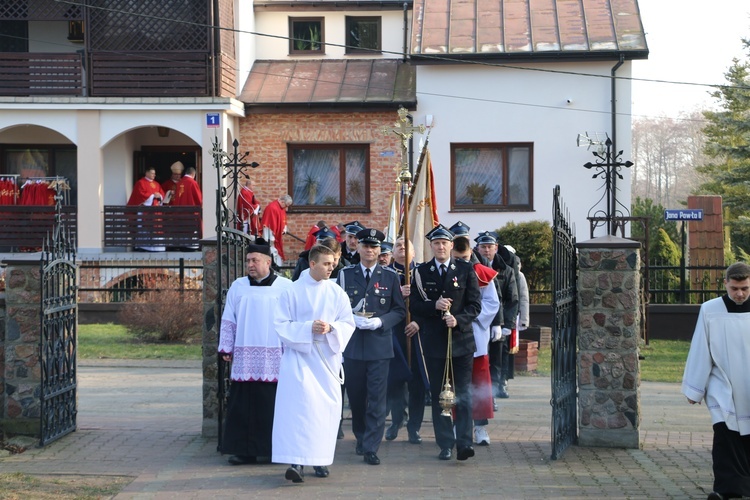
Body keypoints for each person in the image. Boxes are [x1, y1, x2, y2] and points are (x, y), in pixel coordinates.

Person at [272, 244, 356, 483]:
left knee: (323, 412)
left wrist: (332, 328)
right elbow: (280, 323)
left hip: (326, 360)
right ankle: (296, 462)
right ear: (312, 264)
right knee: (298, 411)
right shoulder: (291, 291)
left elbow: (347, 323)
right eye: (327, 264)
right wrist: (307, 328)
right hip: (299, 359)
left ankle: (320, 459)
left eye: (333, 264)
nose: (332, 268)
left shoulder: (336, 292)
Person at [410, 224, 481, 461]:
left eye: (445, 243)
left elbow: (475, 306)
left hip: (461, 342)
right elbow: (415, 307)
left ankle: (464, 443)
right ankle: (445, 443)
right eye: (436, 243)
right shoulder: (421, 272)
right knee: (440, 395)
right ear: (431, 246)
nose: (441, 247)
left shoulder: (465, 269)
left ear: (452, 245)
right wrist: (434, 306)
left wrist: (457, 319)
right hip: (434, 343)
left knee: (463, 393)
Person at [218, 240, 292, 465]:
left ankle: (273, 449)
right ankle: (243, 451)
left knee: (272, 404)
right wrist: (226, 346)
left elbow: (292, 320)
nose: (250, 264)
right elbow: (228, 318)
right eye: (248, 260)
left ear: (268, 262)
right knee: (243, 406)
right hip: (244, 356)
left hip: (274, 357)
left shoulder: (285, 287)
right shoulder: (238, 286)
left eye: (254, 260)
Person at [337, 228, 406, 466]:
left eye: (374, 247)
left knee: (377, 398)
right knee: (356, 397)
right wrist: (350, 318)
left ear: (380, 250)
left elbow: (399, 310)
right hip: (353, 345)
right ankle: (360, 435)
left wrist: (381, 321)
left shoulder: (390, 276)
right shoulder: (345, 274)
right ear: (358, 248)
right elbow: (336, 307)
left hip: (379, 346)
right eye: (366, 246)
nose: (370, 250)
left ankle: (371, 446)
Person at [682, 262, 750, 500]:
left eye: (745, 288)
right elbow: (701, 348)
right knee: (725, 436)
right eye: (734, 288)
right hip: (723, 385)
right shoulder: (710, 309)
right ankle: (727, 490)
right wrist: (695, 389)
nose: (739, 294)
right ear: (725, 285)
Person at [449, 224, 499, 447]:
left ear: (472, 254)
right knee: (454, 383)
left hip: (475, 335)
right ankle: (455, 425)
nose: (462, 262)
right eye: (458, 258)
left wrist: (470, 316)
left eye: (466, 257)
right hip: (452, 334)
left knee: (479, 383)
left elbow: (492, 303)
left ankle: (480, 427)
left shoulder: (482, 274)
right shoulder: (445, 272)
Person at [385, 237, 428, 445]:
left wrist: (418, 322)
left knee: (417, 383)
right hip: (393, 332)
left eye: (406, 245)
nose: (402, 247)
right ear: (392, 253)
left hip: (417, 334)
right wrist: (397, 294)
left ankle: (414, 427)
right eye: (398, 245)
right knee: (395, 380)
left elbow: (430, 302)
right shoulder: (385, 274)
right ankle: (397, 420)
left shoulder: (421, 272)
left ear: (414, 251)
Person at [474, 231, 518, 401]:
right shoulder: (475, 267)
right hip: (479, 321)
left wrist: (507, 324)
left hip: (498, 322)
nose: (486, 250)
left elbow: (512, 299)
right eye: (483, 247)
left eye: (489, 247)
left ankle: (496, 389)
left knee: (497, 359)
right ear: (478, 248)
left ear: (496, 248)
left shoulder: (505, 270)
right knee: (481, 359)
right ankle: (483, 395)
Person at [127, 167, 165, 252]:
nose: (154, 175)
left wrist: (160, 196)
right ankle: (143, 246)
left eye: (154, 173)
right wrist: (152, 196)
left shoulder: (156, 184)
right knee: (144, 228)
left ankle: (156, 247)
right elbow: (140, 194)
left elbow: (162, 193)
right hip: (144, 210)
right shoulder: (141, 183)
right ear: (147, 173)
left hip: (155, 211)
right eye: (152, 173)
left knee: (156, 228)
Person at [261, 194, 293, 264]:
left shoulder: (281, 208)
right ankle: (274, 265)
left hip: (278, 235)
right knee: (271, 249)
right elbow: (268, 223)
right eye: (286, 205)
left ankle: (277, 266)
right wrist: (272, 237)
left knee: (277, 251)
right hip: (271, 236)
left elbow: (283, 219)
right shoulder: (272, 208)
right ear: (282, 202)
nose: (286, 208)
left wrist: (284, 229)